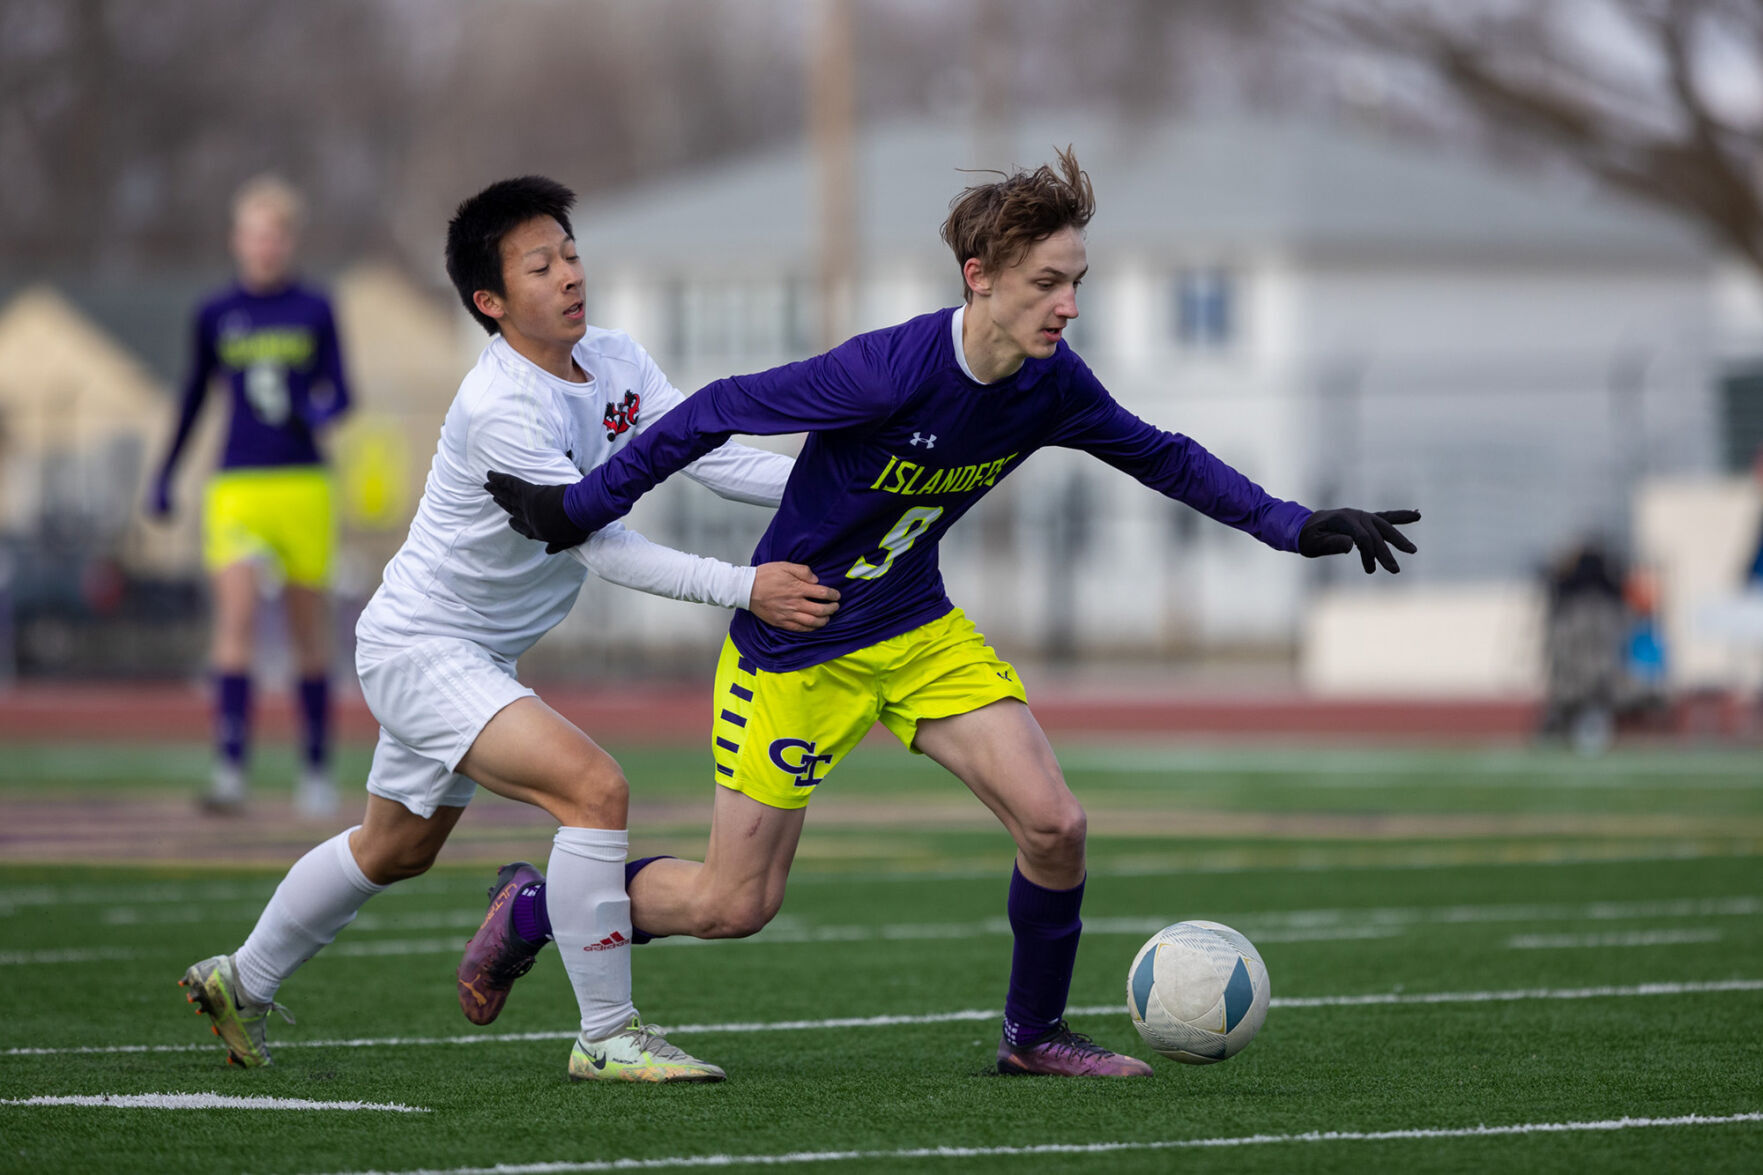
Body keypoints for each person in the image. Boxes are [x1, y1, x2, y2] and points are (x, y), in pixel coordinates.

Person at [486, 149, 1419, 1078]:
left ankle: (1034, 1035)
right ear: (979, 279)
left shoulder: (1050, 383)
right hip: (797, 649)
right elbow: (715, 411)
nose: (1068, 305)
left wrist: (1295, 526)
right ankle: (539, 907)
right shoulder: (888, 373)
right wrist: (577, 509)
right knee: (735, 905)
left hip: (917, 628)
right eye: (1046, 283)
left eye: (1076, 282)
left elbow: (1160, 455)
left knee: (1055, 825)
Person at [178, 176, 839, 1084]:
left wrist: (853, 486)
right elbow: (599, 545)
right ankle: (606, 1034)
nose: (569, 274)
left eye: (569, 253)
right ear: (490, 301)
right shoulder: (500, 406)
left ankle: (237, 979)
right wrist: (743, 585)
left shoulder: (612, 357)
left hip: (467, 652)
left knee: (395, 849)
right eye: (541, 264)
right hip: (423, 646)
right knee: (595, 791)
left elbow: (711, 454)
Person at [149, 175, 354, 817]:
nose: (264, 246)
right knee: (234, 619)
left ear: (289, 241)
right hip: (236, 483)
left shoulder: (315, 309)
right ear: (238, 240)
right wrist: (165, 472)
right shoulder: (215, 313)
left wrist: (310, 411)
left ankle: (316, 770)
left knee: (304, 631)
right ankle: (230, 768)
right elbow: (191, 396)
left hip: (302, 484)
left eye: (275, 234)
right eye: (254, 234)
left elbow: (341, 395)